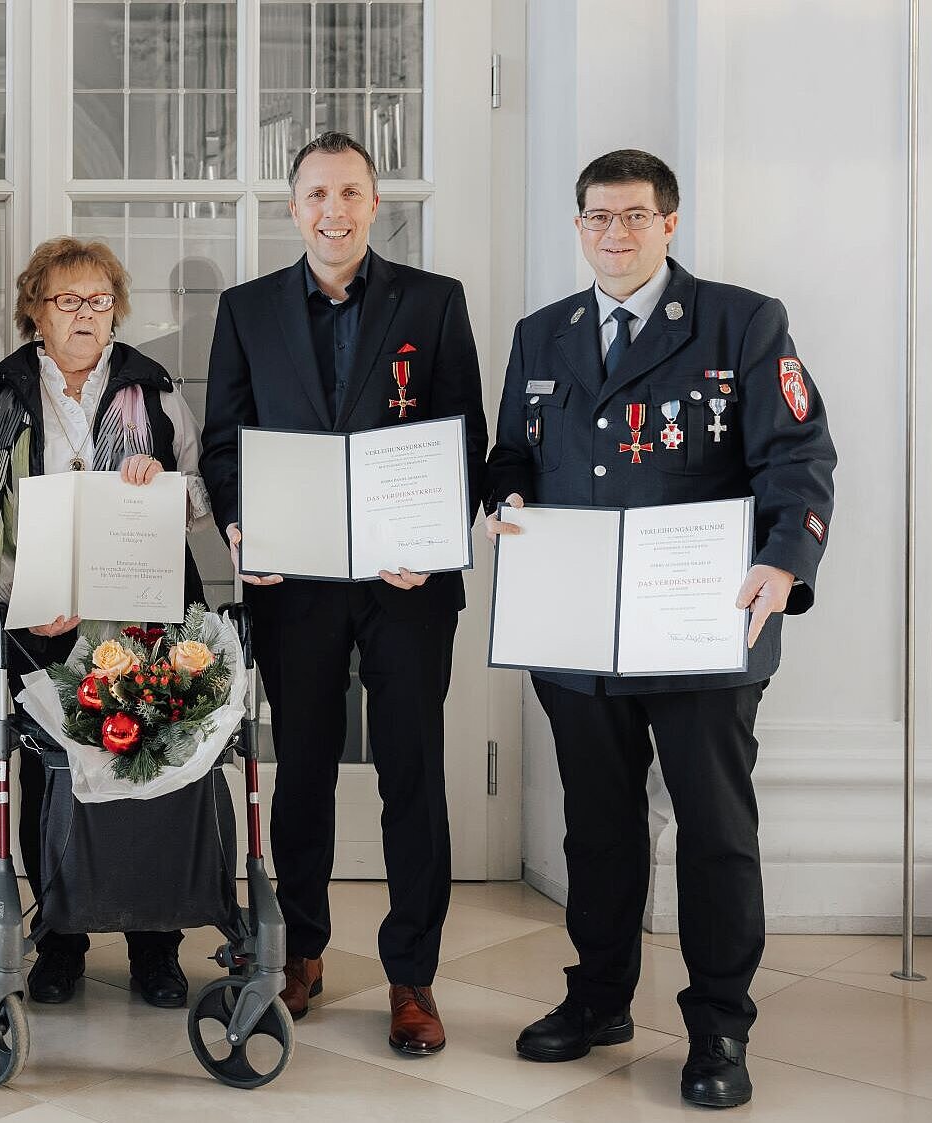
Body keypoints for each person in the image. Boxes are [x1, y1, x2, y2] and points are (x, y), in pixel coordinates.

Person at [484, 149, 836, 1109]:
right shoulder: (542, 334)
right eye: (598, 216)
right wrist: (504, 498)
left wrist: (783, 562)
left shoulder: (742, 321)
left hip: (701, 630)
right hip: (578, 636)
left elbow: (799, 455)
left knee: (714, 833)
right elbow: (511, 453)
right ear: (578, 226)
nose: (615, 233)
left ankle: (719, 1024)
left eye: (635, 215)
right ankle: (599, 997)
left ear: (669, 223)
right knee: (598, 830)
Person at [201, 131, 487, 1056]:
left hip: (408, 585)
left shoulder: (434, 303)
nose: (335, 210)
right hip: (297, 584)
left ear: (375, 203)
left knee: (413, 775)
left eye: (351, 192)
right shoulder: (247, 310)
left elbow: (464, 438)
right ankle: (301, 949)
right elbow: (223, 442)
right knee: (305, 772)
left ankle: (413, 976)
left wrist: (433, 539)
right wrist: (239, 526)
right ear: (295, 208)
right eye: (318, 194)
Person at [0, 236, 210, 1008]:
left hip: (144, 625)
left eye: (99, 300)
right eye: (67, 300)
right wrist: (19, 597)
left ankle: (155, 945)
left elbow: (203, 496)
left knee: (151, 772)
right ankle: (61, 939)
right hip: (40, 627)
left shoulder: (153, 386)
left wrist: (165, 481)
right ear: (35, 311)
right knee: (52, 777)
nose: (85, 315)